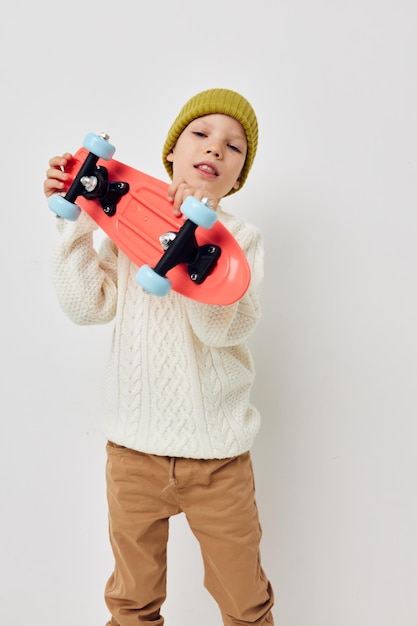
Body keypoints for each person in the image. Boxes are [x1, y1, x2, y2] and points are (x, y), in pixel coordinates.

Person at [44, 88, 274, 626]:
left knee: (245, 602)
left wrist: (201, 241)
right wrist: (75, 218)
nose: (214, 149)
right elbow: (87, 307)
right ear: (171, 151)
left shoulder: (241, 240)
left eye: (233, 147)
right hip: (133, 452)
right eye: (200, 134)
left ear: (238, 176)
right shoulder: (128, 225)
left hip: (217, 458)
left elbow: (220, 330)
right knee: (132, 603)